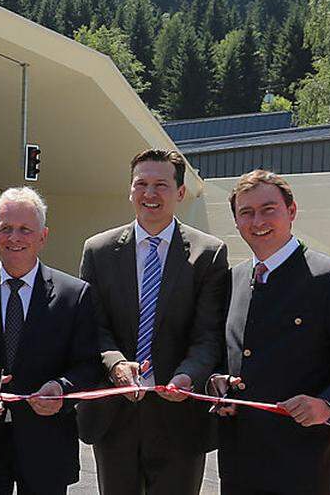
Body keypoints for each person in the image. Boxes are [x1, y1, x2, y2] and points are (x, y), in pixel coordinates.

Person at [210, 170, 330, 495]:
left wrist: (327, 406)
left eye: (268, 209)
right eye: (246, 212)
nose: (257, 220)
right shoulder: (232, 280)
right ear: (236, 222)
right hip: (239, 468)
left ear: (291, 212)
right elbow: (231, 356)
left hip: (302, 471)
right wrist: (218, 381)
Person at [77, 148, 229, 494]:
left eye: (161, 185)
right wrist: (116, 365)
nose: (149, 194)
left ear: (180, 193)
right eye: (141, 184)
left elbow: (208, 334)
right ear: (130, 190)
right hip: (115, 416)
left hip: (180, 419)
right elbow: (91, 327)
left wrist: (189, 375)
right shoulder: (98, 251)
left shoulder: (208, 253)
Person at [0, 187, 100, 495]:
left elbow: (89, 365)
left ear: (42, 236)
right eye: (5, 228)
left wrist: (61, 388)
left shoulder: (74, 294)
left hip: (46, 446)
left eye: (24, 230)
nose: (14, 237)